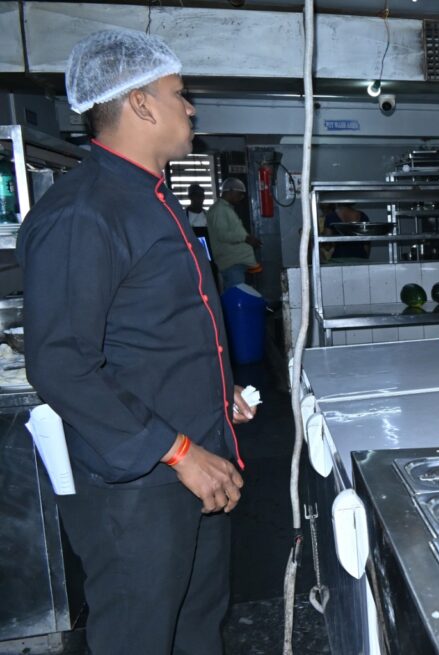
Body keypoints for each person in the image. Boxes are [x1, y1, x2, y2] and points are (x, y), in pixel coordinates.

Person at [16, 29, 256, 654]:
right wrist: (177, 451)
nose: (191, 108)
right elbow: (62, 364)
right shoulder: (84, 211)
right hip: (140, 486)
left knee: (197, 626)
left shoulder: (154, 199)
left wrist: (216, 391)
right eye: (179, 94)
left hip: (195, 463)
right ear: (141, 104)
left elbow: (155, 328)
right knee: (140, 635)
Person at [207, 176, 261, 289]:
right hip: (231, 265)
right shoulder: (220, 210)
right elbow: (222, 235)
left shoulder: (226, 208)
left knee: (240, 293)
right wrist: (245, 238)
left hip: (236, 263)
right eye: (239, 193)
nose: (241, 197)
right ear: (230, 191)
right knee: (236, 295)